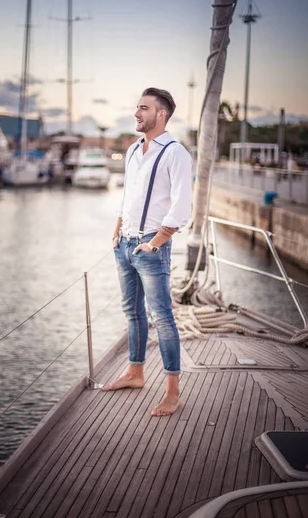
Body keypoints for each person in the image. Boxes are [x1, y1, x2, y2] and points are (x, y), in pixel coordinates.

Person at [102, 87, 192, 417]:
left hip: (152, 246)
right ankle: (135, 373)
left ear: (161, 114)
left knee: (162, 318)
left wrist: (156, 242)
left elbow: (182, 207)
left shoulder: (176, 154)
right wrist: (116, 233)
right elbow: (128, 197)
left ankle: (172, 392)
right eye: (137, 107)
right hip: (125, 243)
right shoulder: (131, 152)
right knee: (133, 313)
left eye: (143, 108)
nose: (137, 113)